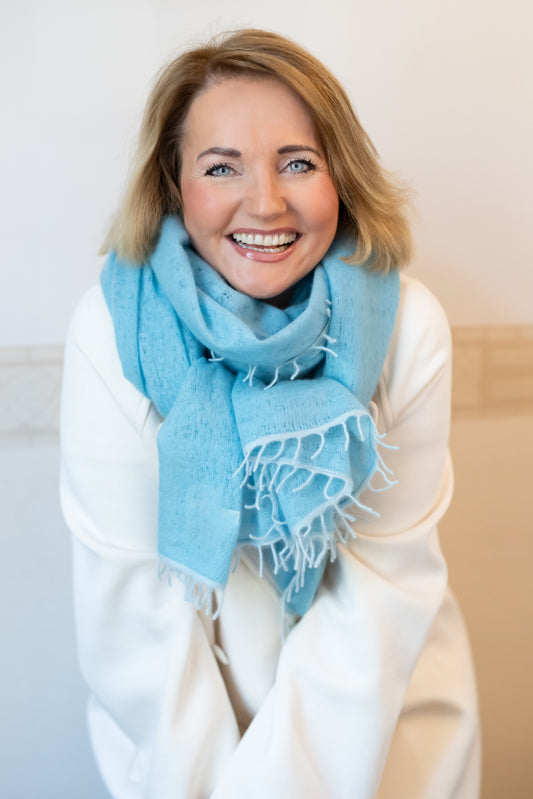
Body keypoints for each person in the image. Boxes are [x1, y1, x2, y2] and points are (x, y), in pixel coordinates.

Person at [60, 28, 480, 799]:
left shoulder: (406, 324)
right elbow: (134, 618)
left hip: (385, 739)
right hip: (183, 753)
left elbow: (379, 590)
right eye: (222, 167)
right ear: (173, 184)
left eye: (297, 163)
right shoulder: (109, 329)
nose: (265, 202)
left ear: (340, 174)